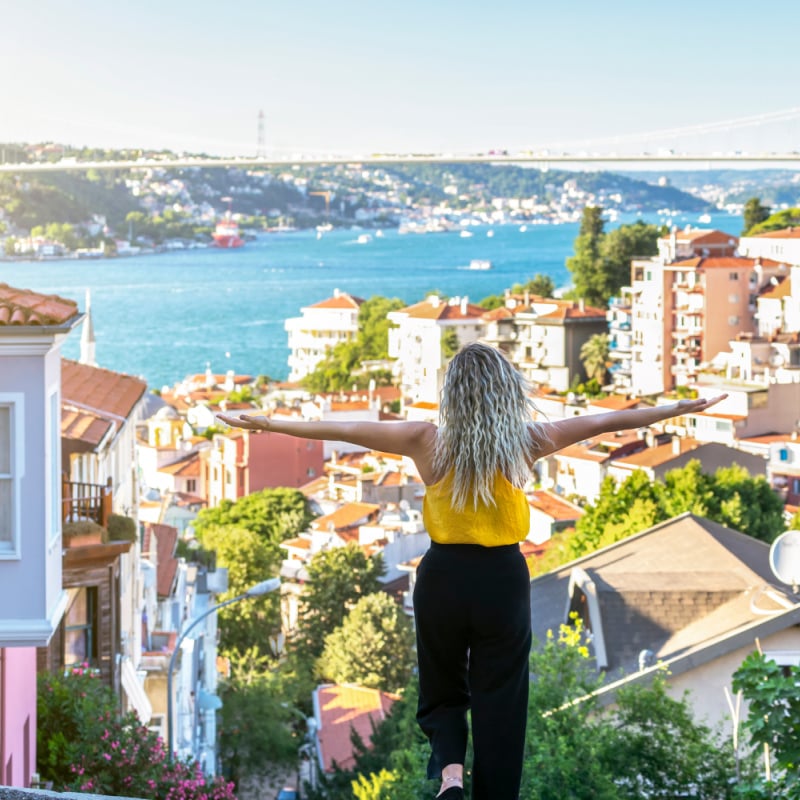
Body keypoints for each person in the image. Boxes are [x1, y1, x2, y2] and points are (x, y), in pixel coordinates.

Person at [218, 342, 726, 800]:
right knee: (500, 693)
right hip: (502, 580)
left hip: (442, 577)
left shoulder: (426, 441)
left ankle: (451, 776)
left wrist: (272, 423)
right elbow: (602, 422)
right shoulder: (524, 441)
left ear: (452, 394)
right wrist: (677, 410)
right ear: (506, 392)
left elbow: (347, 430)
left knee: (442, 686)